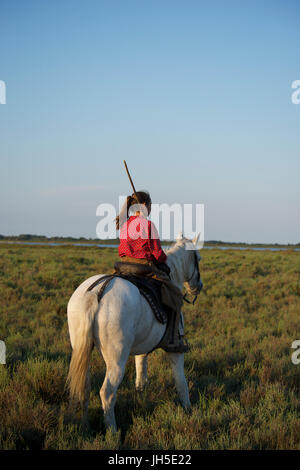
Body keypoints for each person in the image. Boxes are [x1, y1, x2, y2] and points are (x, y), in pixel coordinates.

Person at [116, 190, 189, 353]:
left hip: (123, 266)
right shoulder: (148, 225)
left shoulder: (125, 224)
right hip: (144, 267)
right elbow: (157, 253)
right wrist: (163, 261)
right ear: (144, 205)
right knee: (176, 296)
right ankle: (173, 338)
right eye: (151, 205)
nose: (151, 209)